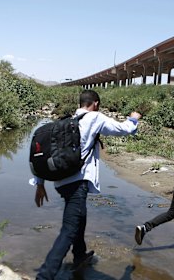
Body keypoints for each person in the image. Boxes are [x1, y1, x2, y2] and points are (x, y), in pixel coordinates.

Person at [31, 89, 141, 280]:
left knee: (79, 218)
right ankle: (44, 276)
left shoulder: (68, 121)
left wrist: (40, 184)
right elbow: (124, 130)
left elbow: (46, 151)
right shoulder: (94, 117)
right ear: (96, 103)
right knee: (69, 229)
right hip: (77, 182)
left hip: (60, 180)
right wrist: (133, 118)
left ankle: (80, 256)